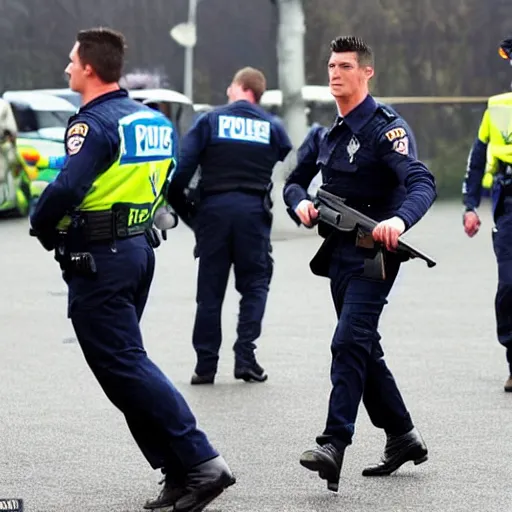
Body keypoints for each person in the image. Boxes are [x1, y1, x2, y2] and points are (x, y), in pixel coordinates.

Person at [29, 27, 235, 512]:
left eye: (71, 60)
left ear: (90, 69)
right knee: (123, 366)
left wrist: (41, 224)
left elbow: (67, 187)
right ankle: (178, 471)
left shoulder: (94, 124)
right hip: (136, 251)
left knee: (124, 364)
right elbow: (164, 182)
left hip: (100, 257)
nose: (67, 67)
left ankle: (203, 461)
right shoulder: (154, 122)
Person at [282, 36, 437, 492]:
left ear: (366, 73)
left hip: (377, 255)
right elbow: (292, 182)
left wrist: (398, 220)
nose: (335, 73)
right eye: (331, 65)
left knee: (348, 341)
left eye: (345, 66)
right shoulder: (323, 134)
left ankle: (333, 443)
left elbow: (420, 181)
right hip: (337, 254)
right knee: (363, 347)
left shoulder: (385, 129)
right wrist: (301, 206)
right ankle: (402, 435)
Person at [167, 67, 293, 385]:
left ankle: (205, 366)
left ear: (238, 87)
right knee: (255, 284)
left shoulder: (209, 121)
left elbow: (180, 175)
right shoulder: (272, 127)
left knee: (210, 293)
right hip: (253, 214)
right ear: (258, 93)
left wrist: (192, 217)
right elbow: (283, 153)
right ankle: (245, 357)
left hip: (213, 213)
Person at [462, 37, 512, 392]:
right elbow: (477, 157)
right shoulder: (497, 107)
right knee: (510, 286)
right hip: (509, 203)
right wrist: (469, 205)